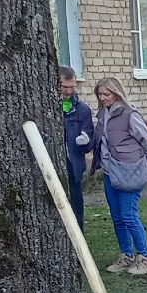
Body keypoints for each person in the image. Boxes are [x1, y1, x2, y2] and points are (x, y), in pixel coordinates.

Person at [92, 77, 147, 275]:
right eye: (100, 94)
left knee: (129, 215)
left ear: (117, 93)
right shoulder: (103, 114)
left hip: (131, 170)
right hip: (110, 171)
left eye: (107, 94)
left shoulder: (129, 114)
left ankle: (145, 257)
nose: (103, 98)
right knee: (117, 216)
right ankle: (126, 255)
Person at [60, 67, 96, 229]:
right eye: (64, 87)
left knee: (76, 206)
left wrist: (86, 141)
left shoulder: (82, 109)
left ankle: (79, 239)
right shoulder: (45, 107)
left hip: (74, 166)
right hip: (54, 164)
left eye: (71, 87)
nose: (68, 91)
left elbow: (89, 143)